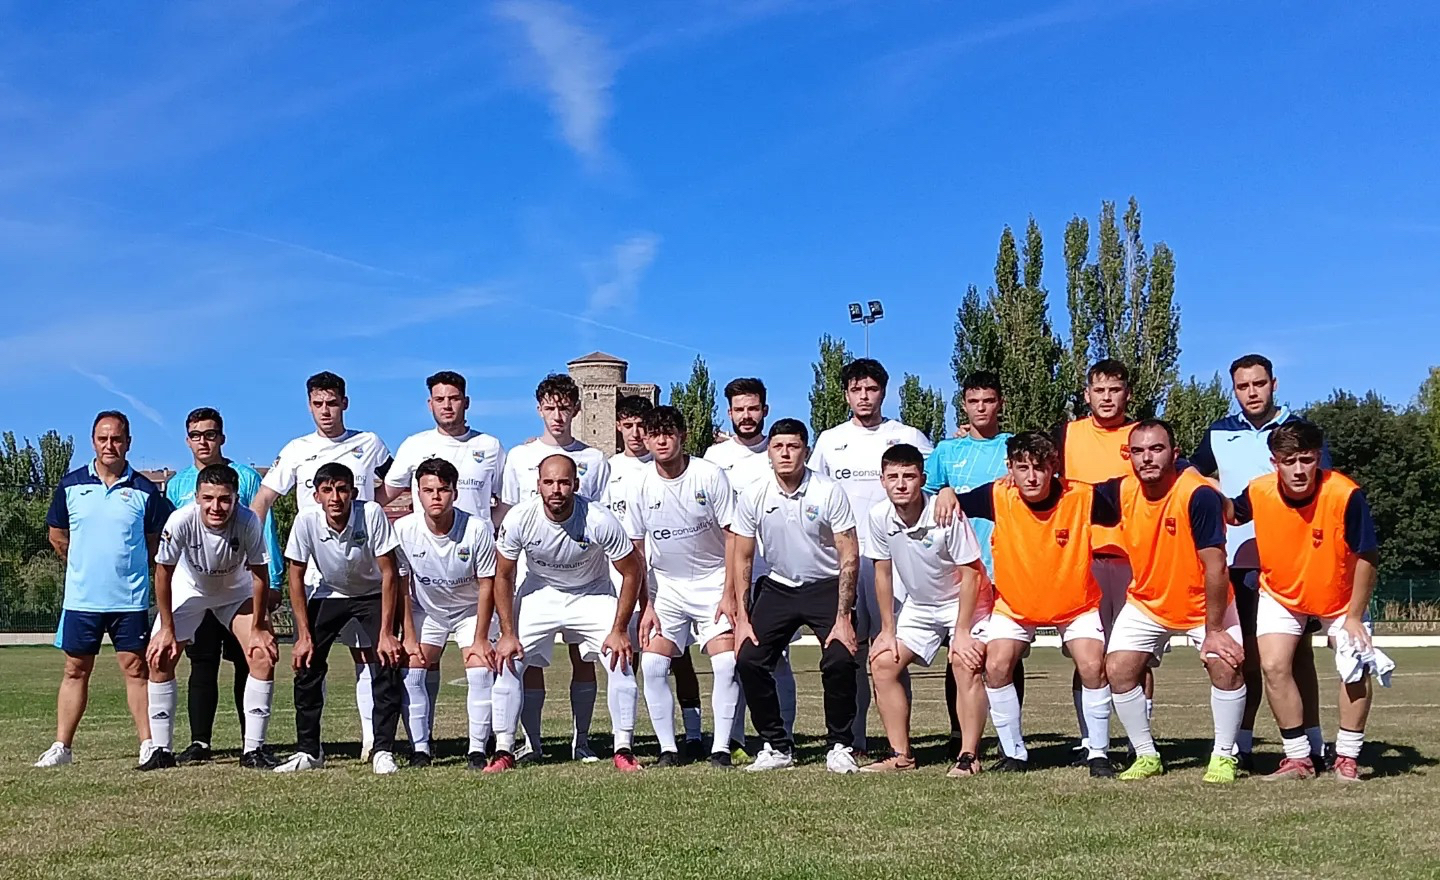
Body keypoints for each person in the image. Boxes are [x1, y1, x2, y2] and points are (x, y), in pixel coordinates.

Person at [947, 432, 1117, 777]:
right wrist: (946, 492)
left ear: (1054, 467)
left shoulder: (1084, 497)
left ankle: (1098, 753)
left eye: (1040, 467)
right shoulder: (997, 495)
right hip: (1015, 604)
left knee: (1092, 665)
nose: (1032, 477)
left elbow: (1132, 501)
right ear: (1009, 468)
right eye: (1022, 468)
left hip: (1075, 604)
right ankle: (1014, 754)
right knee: (996, 665)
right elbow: (952, 503)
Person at [1190, 353, 1327, 770]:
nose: (1251, 392)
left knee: (1298, 656)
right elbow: (1190, 474)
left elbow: (1323, 489)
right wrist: (1211, 492)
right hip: (1238, 561)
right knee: (1246, 655)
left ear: (1274, 384)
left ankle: (1313, 744)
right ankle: (1242, 745)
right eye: (1243, 386)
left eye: (1259, 384)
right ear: (1234, 390)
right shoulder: (1219, 433)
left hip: (1293, 563)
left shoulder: (1298, 431)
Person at [250, 371, 394, 761]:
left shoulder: (369, 443)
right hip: (316, 578)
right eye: (318, 404)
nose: (326, 411)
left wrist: (379, 517)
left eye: (332, 403)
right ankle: (314, 747)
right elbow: (263, 500)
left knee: (367, 655)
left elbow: (395, 487)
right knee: (311, 658)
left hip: (363, 571)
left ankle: (372, 741)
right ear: (309, 406)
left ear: (345, 403)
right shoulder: (297, 449)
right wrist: (251, 549)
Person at [1225, 421, 1381, 783]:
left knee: (1354, 666)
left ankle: (1347, 757)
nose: (1298, 470)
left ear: (1319, 458)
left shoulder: (1345, 494)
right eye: (1289, 460)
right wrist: (1193, 482)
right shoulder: (1259, 490)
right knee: (1273, 665)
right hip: (1280, 593)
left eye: (1306, 460)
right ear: (1274, 462)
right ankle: (1298, 758)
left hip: (1341, 598)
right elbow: (1232, 513)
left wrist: (1355, 615)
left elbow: (1367, 555)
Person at [1105, 420, 1246, 783]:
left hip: (1204, 605)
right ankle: (1146, 755)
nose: (1147, 458)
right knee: (1118, 669)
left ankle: (1224, 755)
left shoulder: (1198, 494)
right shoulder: (1122, 490)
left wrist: (1215, 630)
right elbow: (1066, 495)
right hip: (1148, 602)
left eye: (1156, 449)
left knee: (1226, 665)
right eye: (1138, 451)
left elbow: (1216, 566)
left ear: (1175, 453)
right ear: (1129, 456)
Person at [486, 454, 645, 773]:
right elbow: (502, 575)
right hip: (540, 591)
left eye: (563, 482)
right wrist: (507, 633)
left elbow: (632, 571)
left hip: (591, 592)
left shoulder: (599, 519)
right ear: (538, 485)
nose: (556, 489)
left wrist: (619, 629)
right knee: (508, 659)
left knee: (620, 659)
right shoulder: (520, 518)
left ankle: (623, 749)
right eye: (549, 482)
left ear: (576, 484)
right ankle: (504, 750)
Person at [808, 358, 933, 755]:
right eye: (856, 390)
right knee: (852, 649)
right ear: (846, 395)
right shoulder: (830, 440)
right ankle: (855, 740)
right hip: (846, 562)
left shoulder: (907, 436)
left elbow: (934, 486)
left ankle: (901, 745)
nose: (864, 396)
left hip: (895, 563)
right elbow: (813, 494)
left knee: (891, 650)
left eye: (871, 389)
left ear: (883, 392)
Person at [36, 411, 171, 769]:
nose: (110, 445)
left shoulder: (145, 491)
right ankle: (62, 747)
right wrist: (85, 566)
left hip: (129, 599)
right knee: (75, 670)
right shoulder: (70, 485)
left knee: (136, 669)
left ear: (128, 442)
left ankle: (148, 744)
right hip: (82, 600)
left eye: (117, 439)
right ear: (93, 442)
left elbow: (155, 543)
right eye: (103, 438)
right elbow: (57, 536)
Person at [731, 419, 863, 774]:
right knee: (748, 659)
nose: (785, 453)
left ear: (806, 450)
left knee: (840, 659)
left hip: (826, 585)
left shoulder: (828, 491)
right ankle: (777, 746)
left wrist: (844, 617)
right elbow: (743, 557)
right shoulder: (754, 494)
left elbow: (849, 554)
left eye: (793, 446)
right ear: (769, 453)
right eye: (778, 447)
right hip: (778, 587)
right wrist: (743, 619)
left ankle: (839, 745)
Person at [384, 371, 505, 742]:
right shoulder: (414, 445)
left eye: (454, 398)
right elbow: (385, 495)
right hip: (429, 583)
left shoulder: (490, 446)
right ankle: (421, 744)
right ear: (430, 404)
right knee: (418, 665)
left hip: (473, 572)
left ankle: (482, 744)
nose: (447, 405)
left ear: (466, 402)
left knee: (482, 665)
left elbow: (505, 504)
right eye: (440, 399)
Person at [500, 373, 612, 762]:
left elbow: (599, 518)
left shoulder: (594, 459)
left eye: (564, 407)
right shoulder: (519, 457)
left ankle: (581, 742)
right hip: (536, 576)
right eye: (550, 407)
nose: (558, 415)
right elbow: (508, 513)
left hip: (586, 577)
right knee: (529, 660)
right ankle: (532, 742)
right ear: (539, 410)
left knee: (584, 658)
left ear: (577, 409)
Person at [164, 407, 284, 765]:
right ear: (187, 440)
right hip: (196, 588)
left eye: (210, 434)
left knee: (249, 659)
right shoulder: (178, 484)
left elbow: (263, 529)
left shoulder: (245, 477)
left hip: (239, 586)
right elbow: (170, 541)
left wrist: (273, 579)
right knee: (202, 664)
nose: (204, 441)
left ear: (222, 438)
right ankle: (199, 742)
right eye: (196, 435)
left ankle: (252, 744)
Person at [623, 406, 741, 768]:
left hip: (713, 582)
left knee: (726, 664)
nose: (661, 441)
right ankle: (668, 749)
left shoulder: (709, 474)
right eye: (654, 434)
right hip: (667, 588)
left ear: (682, 436)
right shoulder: (639, 483)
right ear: (646, 440)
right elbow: (637, 549)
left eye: (668, 433)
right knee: (653, 666)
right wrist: (647, 604)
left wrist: (730, 593)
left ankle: (720, 749)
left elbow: (733, 536)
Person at [862, 444, 988, 777]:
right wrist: (887, 630)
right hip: (920, 605)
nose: (901, 484)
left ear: (922, 479)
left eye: (909, 476)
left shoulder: (945, 513)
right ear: (882, 480)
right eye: (893, 477)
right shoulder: (878, 516)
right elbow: (882, 573)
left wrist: (962, 632)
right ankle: (901, 755)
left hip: (965, 602)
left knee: (965, 661)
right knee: (882, 663)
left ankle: (968, 756)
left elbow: (972, 574)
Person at [143, 464, 278, 770]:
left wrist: (259, 626)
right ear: (197, 497)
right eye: (208, 498)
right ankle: (161, 751)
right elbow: (163, 573)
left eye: (224, 499)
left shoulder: (248, 522)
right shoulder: (180, 520)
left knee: (262, 654)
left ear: (236, 499)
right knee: (160, 656)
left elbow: (260, 574)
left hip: (235, 592)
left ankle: (253, 750)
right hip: (189, 591)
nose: (216, 506)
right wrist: (166, 628)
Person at [277, 463, 407, 774]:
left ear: (353, 492)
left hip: (372, 593)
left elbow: (390, 573)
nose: (335, 498)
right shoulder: (306, 520)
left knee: (387, 661)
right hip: (329, 593)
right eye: (327, 490)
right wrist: (303, 636)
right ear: (316, 496)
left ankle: (382, 750)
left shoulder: (371, 513)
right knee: (306, 664)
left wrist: (386, 633)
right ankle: (309, 751)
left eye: (342, 490)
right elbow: (295, 577)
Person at [923, 370, 1022, 756]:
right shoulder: (947, 451)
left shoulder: (1014, 447)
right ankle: (959, 733)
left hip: (1007, 566)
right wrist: (944, 490)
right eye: (974, 401)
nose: (981, 408)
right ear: (963, 405)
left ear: (1001, 404)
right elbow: (924, 499)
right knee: (960, 652)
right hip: (960, 571)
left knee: (1006, 654)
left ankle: (1009, 736)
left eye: (989, 400)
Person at [604, 395, 706, 759]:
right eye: (628, 425)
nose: (635, 433)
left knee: (679, 658)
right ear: (619, 427)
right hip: (622, 579)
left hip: (667, 582)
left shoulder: (668, 465)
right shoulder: (607, 469)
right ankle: (625, 739)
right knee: (627, 658)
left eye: (641, 426)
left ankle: (693, 734)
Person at [1055, 359, 1143, 760]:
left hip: (1133, 560)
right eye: (1099, 390)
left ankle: (1139, 743)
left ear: (1127, 394)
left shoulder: (1142, 437)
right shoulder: (1068, 434)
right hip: (1081, 560)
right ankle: (1091, 741)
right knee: (1086, 656)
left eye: (1115, 390)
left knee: (1136, 657)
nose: (1107, 398)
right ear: (1087, 394)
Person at [704, 377, 796, 751]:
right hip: (730, 573)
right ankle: (735, 737)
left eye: (753, 408)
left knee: (779, 659)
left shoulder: (777, 452)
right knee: (737, 656)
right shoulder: (715, 458)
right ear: (729, 413)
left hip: (774, 572)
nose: (746, 416)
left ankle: (783, 735)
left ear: (764, 410)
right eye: (739, 409)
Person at [394, 458, 500, 771]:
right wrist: (409, 636)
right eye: (428, 490)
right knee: (413, 669)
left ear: (455, 492)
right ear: (418, 493)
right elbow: (401, 586)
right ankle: (420, 749)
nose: (436, 496)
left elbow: (487, 585)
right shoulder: (404, 529)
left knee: (480, 669)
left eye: (443, 489)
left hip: (470, 611)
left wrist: (481, 638)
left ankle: (477, 749)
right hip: (428, 611)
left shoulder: (477, 529)